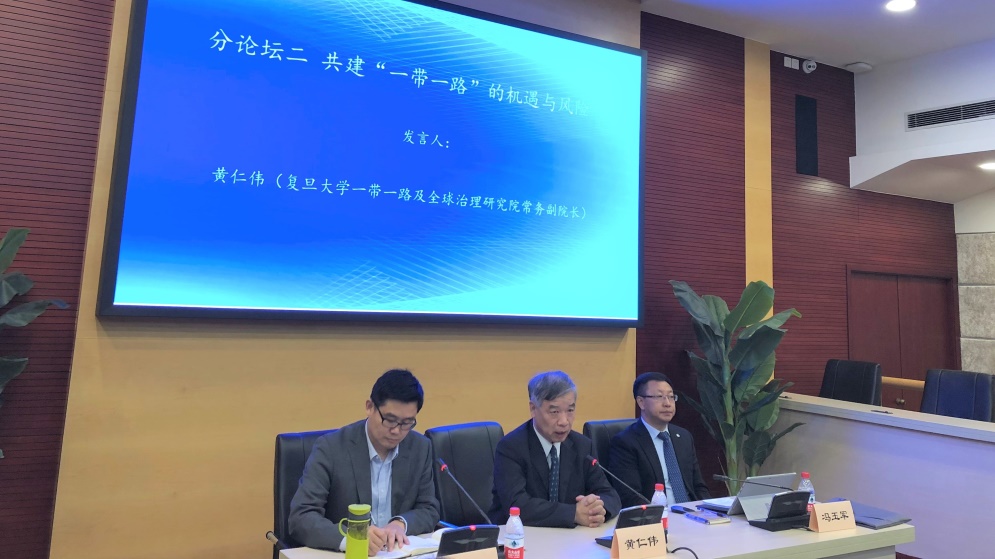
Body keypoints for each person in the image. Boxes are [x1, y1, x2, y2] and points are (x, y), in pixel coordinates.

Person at [288, 369, 440, 555]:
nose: (396, 431)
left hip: (397, 552)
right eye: (390, 420)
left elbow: (429, 508)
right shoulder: (331, 448)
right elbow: (301, 517)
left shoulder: (420, 447)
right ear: (369, 407)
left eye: (407, 423)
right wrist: (353, 539)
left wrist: (400, 524)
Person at [489, 370, 621, 528]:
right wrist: (573, 513)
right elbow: (517, 505)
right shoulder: (511, 447)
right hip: (520, 536)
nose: (564, 421)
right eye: (554, 412)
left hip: (570, 538)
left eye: (570, 410)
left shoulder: (582, 446)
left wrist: (598, 509)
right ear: (533, 409)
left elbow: (609, 495)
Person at [608, 372, 710, 507]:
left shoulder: (684, 437)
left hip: (691, 513)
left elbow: (699, 487)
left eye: (671, 397)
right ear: (641, 402)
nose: (667, 403)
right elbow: (630, 496)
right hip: (657, 515)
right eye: (659, 397)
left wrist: (710, 511)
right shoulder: (626, 442)